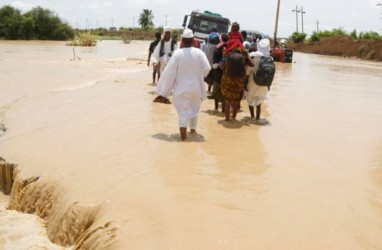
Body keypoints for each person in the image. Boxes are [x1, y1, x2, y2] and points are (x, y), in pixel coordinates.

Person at [156, 29, 211, 141]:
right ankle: (193, 132)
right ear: (192, 40)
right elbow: (207, 68)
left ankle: (184, 140)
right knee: (194, 109)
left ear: (183, 40)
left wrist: (164, 91)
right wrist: (199, 76)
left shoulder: (177, 54)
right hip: (197, 88)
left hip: (182, 88)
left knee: (183, 113)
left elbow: (169, 73)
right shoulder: (200, 53)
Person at [221, 22, 253, 121]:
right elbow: (251, 64)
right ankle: (234, 119)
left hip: (228, 78)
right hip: (239, 79)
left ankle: (227, 120)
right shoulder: (243, 51)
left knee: (227, 100)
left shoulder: (227, 51)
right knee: (235, 101)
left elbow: (222, 65)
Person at [245, 38, 272, 123]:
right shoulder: (270, 58)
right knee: (259, 101)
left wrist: (244, 84)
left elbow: (247, 72)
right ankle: (257, 118)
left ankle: (252, 117)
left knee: (250, 100)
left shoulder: (253, 55)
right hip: (264, 84)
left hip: (252, 82)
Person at [152, 26, 178, 104]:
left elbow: (176, 51)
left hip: (170, 62)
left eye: (169, 33)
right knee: (163, 77)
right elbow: (156, 52)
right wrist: (154, 61)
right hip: (163, 63)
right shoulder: (161, 42)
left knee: (170, 78)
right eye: (166, 33)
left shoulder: (173, 42)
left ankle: (167, 93)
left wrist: (170, 55)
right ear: (164, 33)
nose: (168, 34)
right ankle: (162, 93)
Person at [208, 33, 229, 112]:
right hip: (226, 76)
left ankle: (216, 108)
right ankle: (223, 110)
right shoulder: (230, 49)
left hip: (217, 75)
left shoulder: (217, 50)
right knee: (224, 93)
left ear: (220, 40)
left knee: (216, 92)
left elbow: (214, 65)